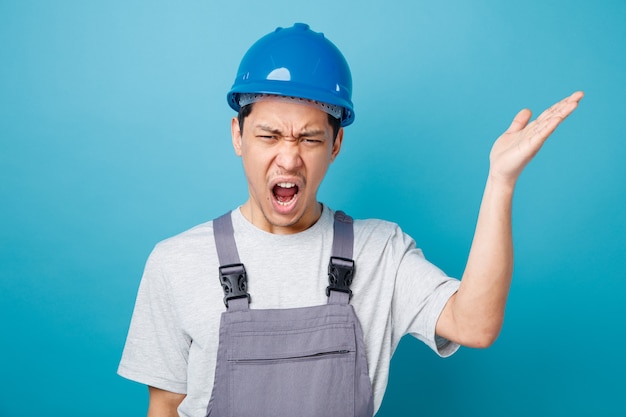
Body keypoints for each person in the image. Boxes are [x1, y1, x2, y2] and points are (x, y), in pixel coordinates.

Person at [118, 23, 583, 417]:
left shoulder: (380, 252)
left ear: (336, 146)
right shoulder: (176, 262)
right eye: (270, 134)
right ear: (238, 135)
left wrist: (500, 181)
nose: (289, 157)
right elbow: (165, 408)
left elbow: (476, 324)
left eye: (310, 139)